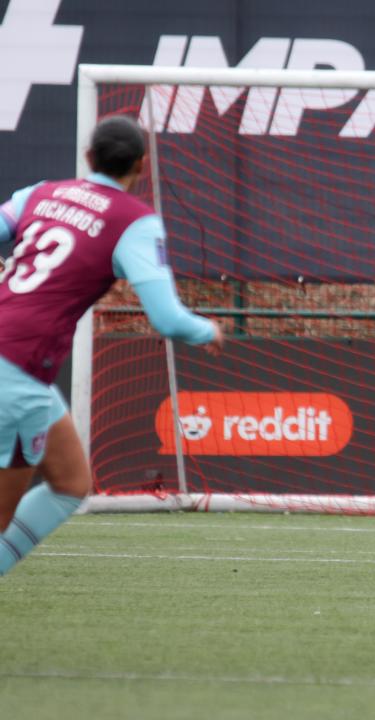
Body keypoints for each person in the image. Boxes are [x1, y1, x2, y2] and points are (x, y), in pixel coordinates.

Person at [0, 115, 223, 577]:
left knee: (70, 483)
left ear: (88, 157)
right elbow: (167, 319)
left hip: (22, 370)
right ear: (142, 164)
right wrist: (208, 331)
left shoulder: (40, 193)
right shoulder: (134, 220)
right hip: (17, 369)